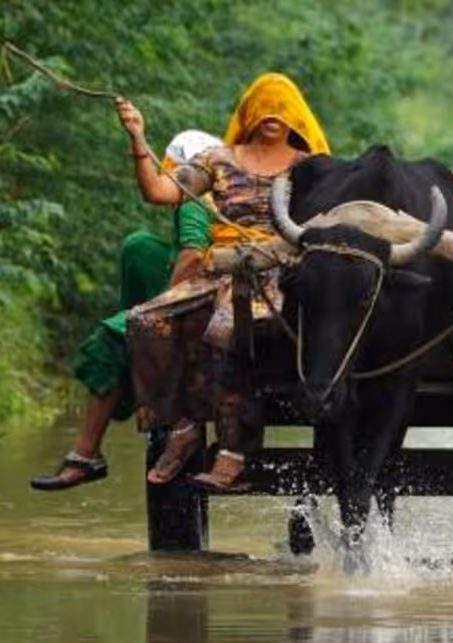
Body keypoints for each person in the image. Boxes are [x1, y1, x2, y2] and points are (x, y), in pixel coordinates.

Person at [116, 73, 330, 491]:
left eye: (282, 109)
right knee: (143, 321)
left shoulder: (312, 169)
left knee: (225, 330)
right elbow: (160, 192)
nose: (273, 116)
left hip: (282, 274)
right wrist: (138, 139)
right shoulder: (218, 158)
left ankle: (235, 452)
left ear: (297, 118)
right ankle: (182, 427)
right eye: (264, 107)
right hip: (222, 270)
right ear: (248, 113)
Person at [30, 131, 224, 491]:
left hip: (204, 305)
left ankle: (87, 454)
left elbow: (194, 253)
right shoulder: (234, 191)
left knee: (109, 337)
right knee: (139, 246)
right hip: (228, 296)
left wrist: (156, 313)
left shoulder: (196, 198)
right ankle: (139, 354)